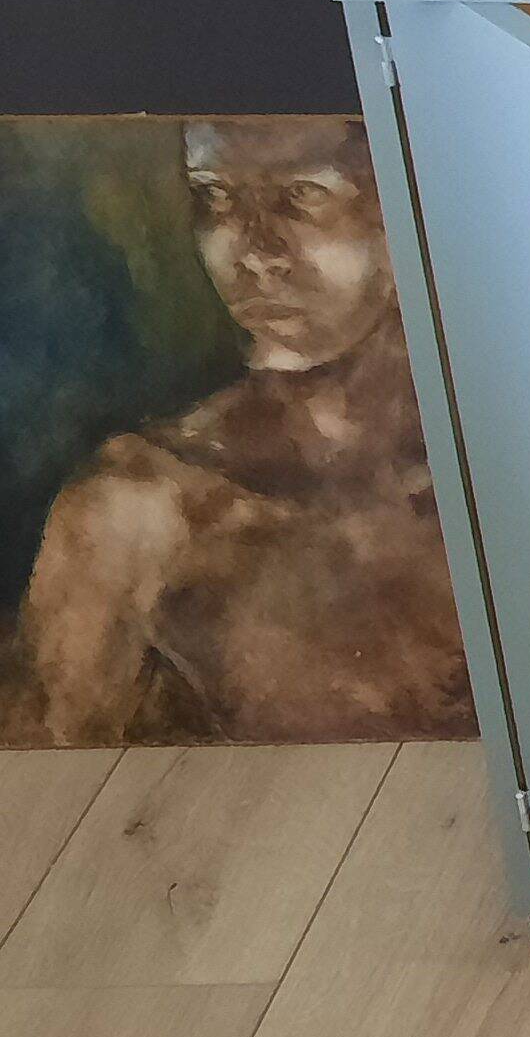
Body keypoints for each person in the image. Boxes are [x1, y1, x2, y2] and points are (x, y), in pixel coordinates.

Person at [16, 118, 469, 743]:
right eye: (216, 197)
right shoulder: (138, 502)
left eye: (303, 196)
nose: (256, 253)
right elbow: (56, 778)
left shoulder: (507, 466)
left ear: (411, 215)